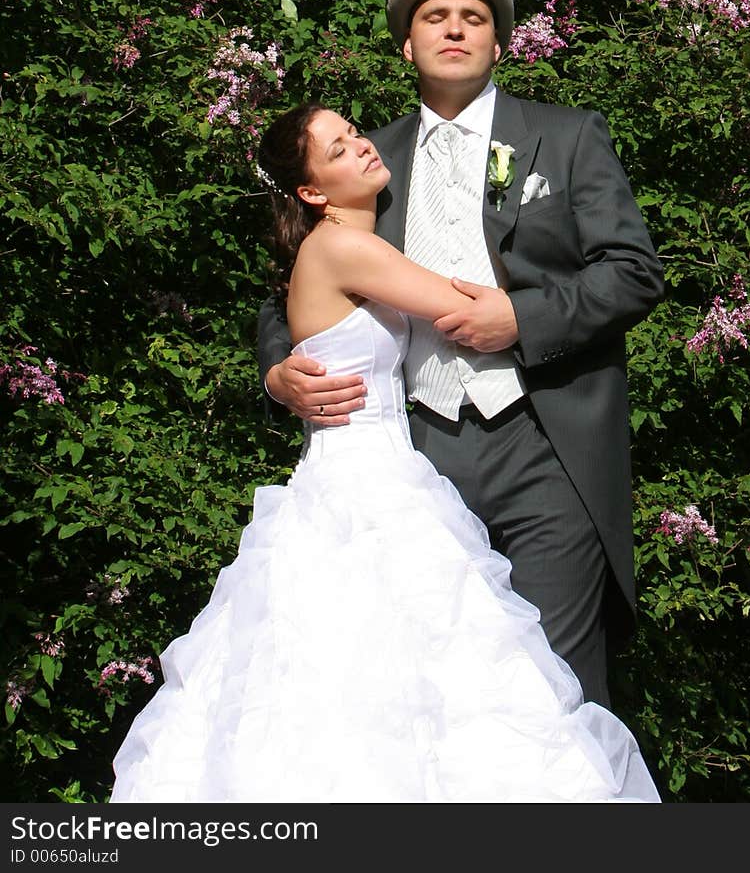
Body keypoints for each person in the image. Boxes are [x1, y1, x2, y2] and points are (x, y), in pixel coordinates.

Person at [110, 102, 660, 802]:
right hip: (367, 488)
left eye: (352, 134)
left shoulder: (347, 234)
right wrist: (278, 373)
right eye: (336, 150)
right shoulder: (344, 245)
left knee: (392, 692)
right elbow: (458, 300)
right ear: (311, 191)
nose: (360, 147)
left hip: (379, 473)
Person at [260, 0, 665, 709]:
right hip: (416, 455)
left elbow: (634, 272)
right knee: (432, 702)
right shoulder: (372, 158)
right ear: (407, 43)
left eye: (473, 17)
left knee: (556, 698)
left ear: (499, 41)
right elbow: (294, 280)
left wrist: (522, 316)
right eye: (435, 17)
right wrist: (280, 370)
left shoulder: (568, 136)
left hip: (547, 447)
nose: (455, 29)